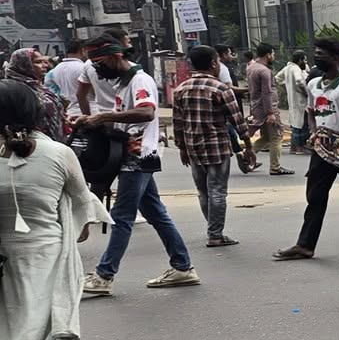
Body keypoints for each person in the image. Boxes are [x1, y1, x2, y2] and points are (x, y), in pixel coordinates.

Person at [1, 80, 109, 340]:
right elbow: (83, 201)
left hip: (5, 256)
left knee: (28, 328)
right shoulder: (58, 154)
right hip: (43, 255)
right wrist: (80, 229)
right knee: (38, 331)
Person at [78, 38, 196, 296]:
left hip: (137, 156)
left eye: (99, 63)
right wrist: (93, 121)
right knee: (156, 213)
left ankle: (104, 275)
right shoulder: (124, 82)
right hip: (136, 154)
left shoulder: (139, 81)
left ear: (115, 56)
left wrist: (105, 116)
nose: (97, 69)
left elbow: (146, 113)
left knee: (121, 217)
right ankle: (183, 266)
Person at [276, 38, 339, 262]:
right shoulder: (313, 84)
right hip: (322, 149)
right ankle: (305, 244)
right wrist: (314, 132)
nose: (317, 57)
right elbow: (311, 111)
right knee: (315, 196)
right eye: (316, 53)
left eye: (321, 53)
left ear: (335, 57)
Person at [169, 43, 252, 250]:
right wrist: (248, 146)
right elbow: (237, 120)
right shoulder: (220, 88)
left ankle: (213, 229)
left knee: (203, 191)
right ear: (214, 63)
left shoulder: (181, 89)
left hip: (193, 147)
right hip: (217, 147)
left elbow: (177, 123)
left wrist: (181, 147)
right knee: (217, 190)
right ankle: (215, 234)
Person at [243, 43, 288, 174]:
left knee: (266, 137)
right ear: (268, 54)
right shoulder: (264, 71)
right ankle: (275, 167)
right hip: (267, 109)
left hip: (257, 107)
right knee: (276, 137)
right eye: (273, 54)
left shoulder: (251, 68)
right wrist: (270, 113)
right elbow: (267, 93)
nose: (273, 57)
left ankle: (245, 154)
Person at [4, 49, 63, 140]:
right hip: (28, 143)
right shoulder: (12, 89)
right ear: (24, 65)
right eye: (38, 62)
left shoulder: (39, 87)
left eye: (44, 62)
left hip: (51, 141)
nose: (45, 66)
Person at [47, 38, 95, 127]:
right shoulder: (84, 67)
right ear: (82, 50)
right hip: (90, 111)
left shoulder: (56, 69)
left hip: (70, 112)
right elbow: (94, 91)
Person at [277, 49, 311, 153]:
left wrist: (287, 86)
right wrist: (305, 92)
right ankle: (299, 147)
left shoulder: (287, 68)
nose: (305, 62)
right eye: (304, 60)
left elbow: (277, 78)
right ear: (300, 60)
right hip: (300, 100)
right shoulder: (296, 69)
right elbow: (299, 81)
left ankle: (293, 146)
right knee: (301, 124)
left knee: (295, 123)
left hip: (292, 99)